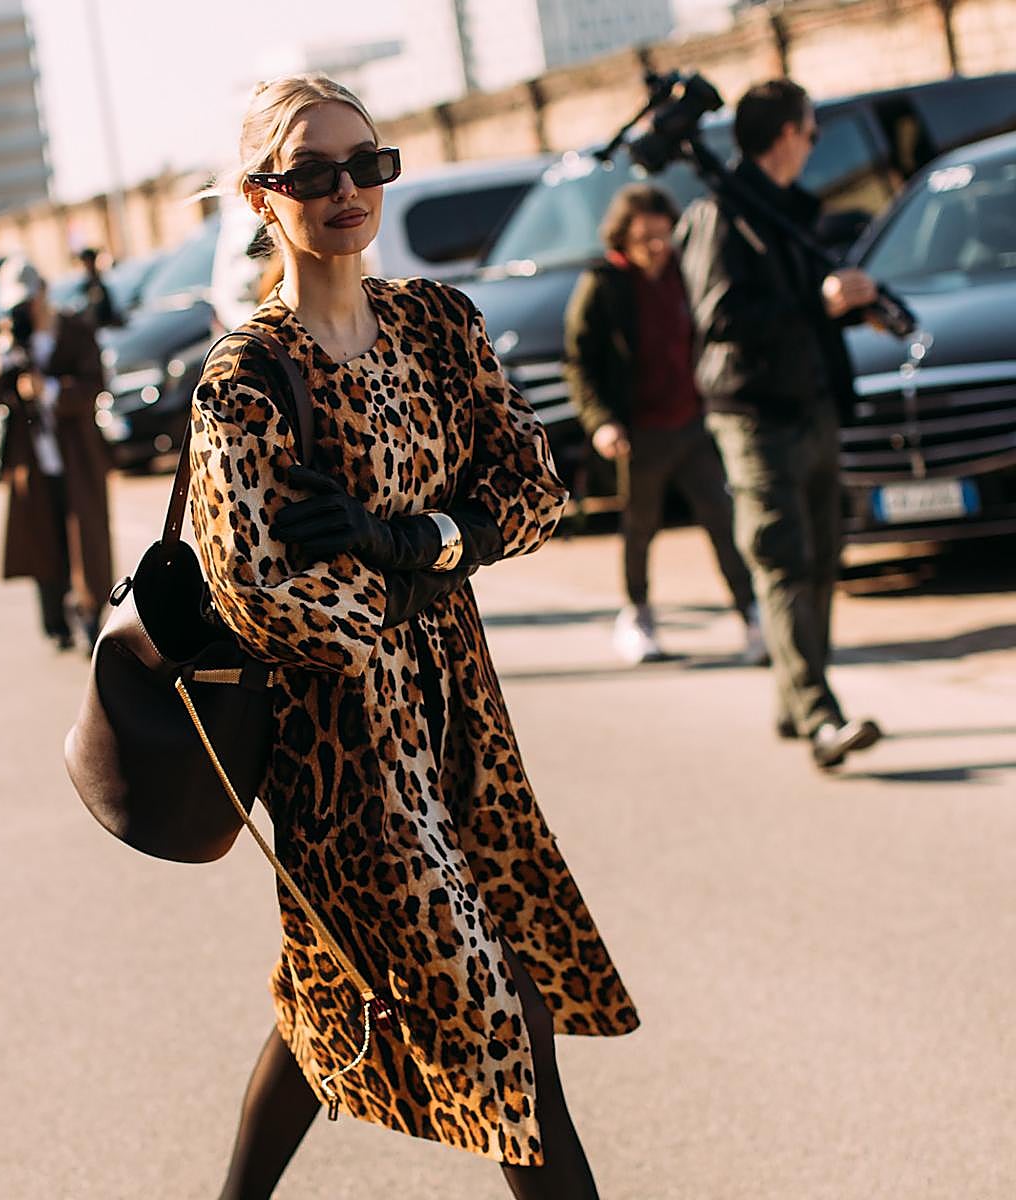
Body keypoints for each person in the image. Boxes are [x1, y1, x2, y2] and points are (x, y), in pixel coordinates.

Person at [189, 75, 638, 1200]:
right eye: (312, 172)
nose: (346, 189)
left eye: (367, 164)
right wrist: (407, 589)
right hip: (342, 752)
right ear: (261, 197)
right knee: (503, 1012)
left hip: (463, 722)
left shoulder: (439, 324)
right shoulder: (246, 379)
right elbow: (253, 594)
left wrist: (412, 541)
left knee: (335, 991)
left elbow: (532, 489)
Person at [675, 79, 882, 770]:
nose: (815, 145)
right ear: (788, 135)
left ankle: (796, 704)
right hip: (755, 416)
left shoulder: (789, 211)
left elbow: (799, 306)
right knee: (783, 560)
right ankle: (822, 718)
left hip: (813, 404)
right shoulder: (719, 214)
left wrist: (849, 306)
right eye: (812, 132)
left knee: (822, 559)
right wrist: (818, 304)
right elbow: (720, 318)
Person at [564, 183, 762, 665]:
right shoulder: (603, 284)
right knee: (640, 528)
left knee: (722, 519)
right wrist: (602, 422)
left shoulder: (686, 271)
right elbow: (579, 362)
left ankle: (753, 617)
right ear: (622, 238)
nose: (656, 247)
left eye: (662, 236)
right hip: (639, 432)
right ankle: (638, 616)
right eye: (644, 239)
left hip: (694, 423)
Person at [0, 258, 113, 651]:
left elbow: (94, 383)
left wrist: (49, 390)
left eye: (28, 302)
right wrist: (0, 356)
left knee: (86, 543)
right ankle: (55, 623)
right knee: (42, 543)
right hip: (31, 463)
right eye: (15, 306)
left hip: (78, 458)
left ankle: (90, 619)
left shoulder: (73, 331)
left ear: (43, 293)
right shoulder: (6, 340)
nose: (24, 311)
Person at [77, 247, 121, 329]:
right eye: (84, 262)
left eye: (87, 261)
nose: (86, 265)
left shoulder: (103, 278)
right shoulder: (87, 281)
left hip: (104, 319)